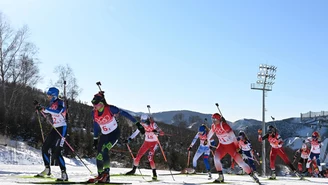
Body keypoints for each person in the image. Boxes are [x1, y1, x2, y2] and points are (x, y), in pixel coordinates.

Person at [87, 92, 145, 183]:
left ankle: (106, 175)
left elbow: (125, 114)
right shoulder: (93, 112)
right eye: (92, 103)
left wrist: (138, 124)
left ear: (102, 103)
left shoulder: (110, 109)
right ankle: (100, 174)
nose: (94, 106)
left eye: (96, 104)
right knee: (98, 156)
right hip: (104, 135)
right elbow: (95, 125)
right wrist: (95, 138)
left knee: (105, 150)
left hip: (114, 134)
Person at [207, 113, 260, 184]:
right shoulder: (213, 126)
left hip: (231, 146)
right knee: (216, 158)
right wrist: (207, 141)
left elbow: (233, 138)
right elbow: (209, 135)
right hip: (222, 146)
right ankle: (220, 176)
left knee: (240, 163)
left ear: (219, 119)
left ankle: (252, 175)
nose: (213, 121)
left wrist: (237, 147)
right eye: (212, 119)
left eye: (215, 119)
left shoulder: (224, 126)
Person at [34, 87, 68, 181]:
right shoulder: (52, 103)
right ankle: (47, 169)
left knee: (56, 152)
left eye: (49, 95)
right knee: (45, 147)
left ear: (54, 96)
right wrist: (39, 108)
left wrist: (46, 109)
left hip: (62, 128)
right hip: (55, 128)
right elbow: (46, 110)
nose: (48, 97)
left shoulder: (60, 102)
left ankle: (64, 174)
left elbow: (59, 111)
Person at [124, 114, 164, 180]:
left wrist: (157, 132)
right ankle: (133, 170)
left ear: (148, 120)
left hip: (154, 143)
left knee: (150, 158)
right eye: (142, 121)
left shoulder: (153, 124)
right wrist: (129, 139)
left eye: (144, 121)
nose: (143, 123)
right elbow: (136, 132)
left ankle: (154, 174)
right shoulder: (141, 124)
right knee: (138, 156)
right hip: (146, 142)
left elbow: (162, 133)